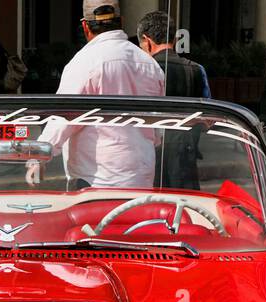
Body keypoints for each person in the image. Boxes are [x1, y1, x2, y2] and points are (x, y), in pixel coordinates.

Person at [28, 2, 165, 190]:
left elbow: (64, 117)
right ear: (121, 21)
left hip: (95, 183)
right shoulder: (150, 64)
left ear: (85, 26)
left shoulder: (84, 61)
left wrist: (39, 156)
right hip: (141, 179)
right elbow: (158, 130)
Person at [137, 9, 206, 189]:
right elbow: (207, 118)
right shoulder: (196, 70)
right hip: (185, 158)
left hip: (147, 157)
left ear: (147, 41)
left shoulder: (140, 71)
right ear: (174, 40)